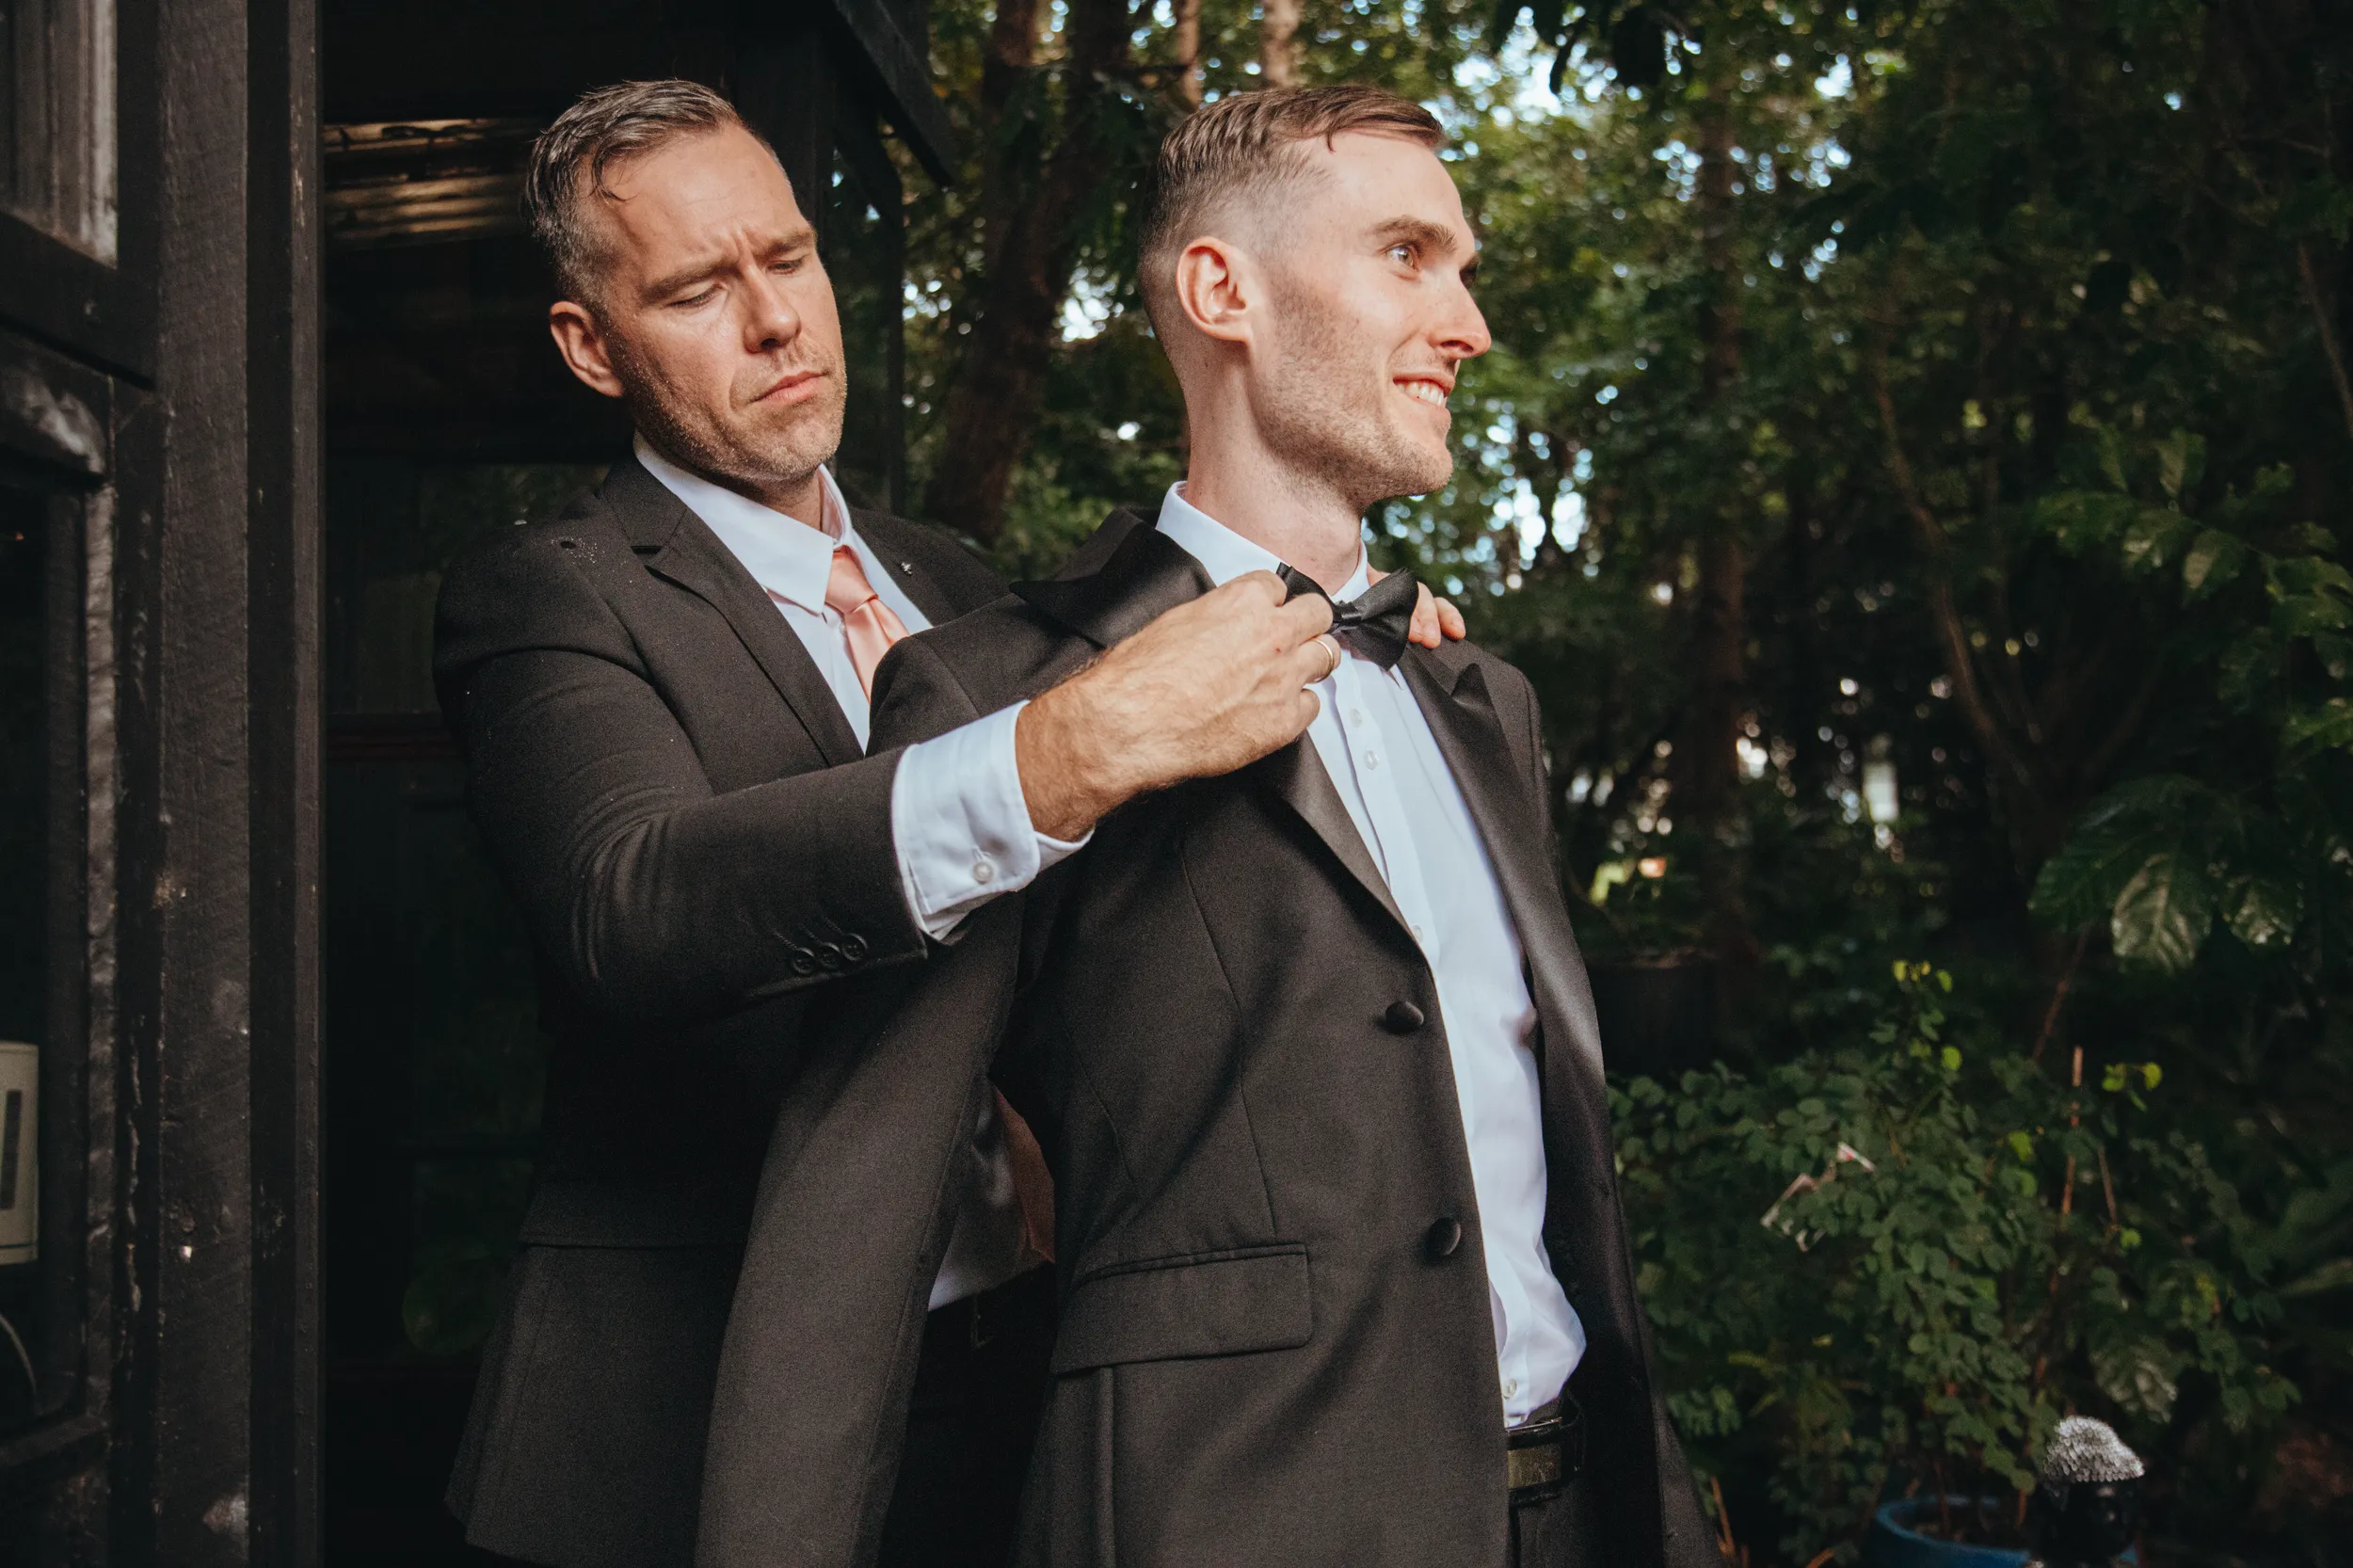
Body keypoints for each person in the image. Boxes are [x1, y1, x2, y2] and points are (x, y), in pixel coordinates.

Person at [433, 79, 1461, 1568]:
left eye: (787, 259)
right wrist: (1052, 756)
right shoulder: (550, 590)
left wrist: (1361, 644)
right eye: (699, 289)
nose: (777, 320)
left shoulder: (965, 587)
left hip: (1017, 1392)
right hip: (675, 1419)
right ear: (593, 348)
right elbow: (630, 904)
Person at [704, 86, 1717, 1568]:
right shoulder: (1004, 694)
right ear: (1221, 289)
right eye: (1407, 255)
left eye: (1465, 267)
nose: (1467, 323)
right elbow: (851, 1225)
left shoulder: (1481, 696)